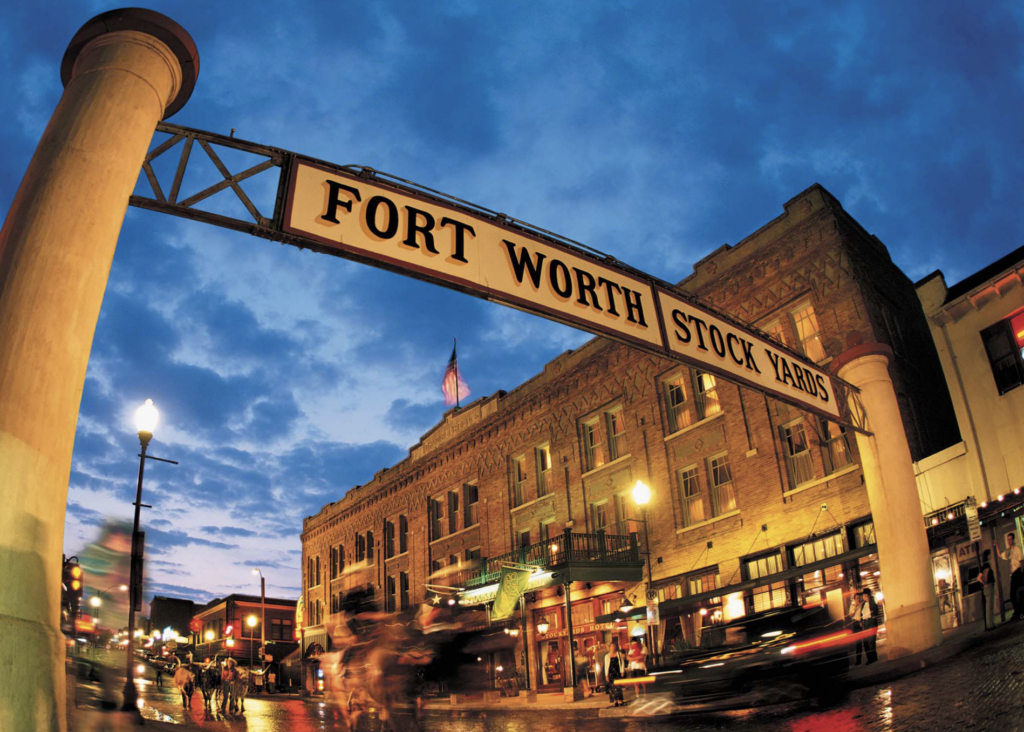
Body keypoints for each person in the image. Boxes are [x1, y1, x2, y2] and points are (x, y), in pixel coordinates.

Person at [996, 533, 1023, 621]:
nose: (1009, 541)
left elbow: (1022, 560)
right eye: (1008, 539)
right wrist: (996, 545)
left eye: (1010, 539)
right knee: (1014, 594)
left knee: (1017, 593)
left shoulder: (1017, 548)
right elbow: (1000, 555)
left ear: (1013, 539)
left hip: (1018, 572)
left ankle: (1019, 612)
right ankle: (1018, 611)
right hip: (1014, 574)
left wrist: (1022, 572)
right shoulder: (1009, 551)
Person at [850, 588, 879, 665]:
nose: (861, 597)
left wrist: (873, 616)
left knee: (871, 641)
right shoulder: (863, 604)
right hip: (865, 623)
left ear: (866, 595)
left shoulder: (872, 601)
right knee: (866, 642)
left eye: (863, 595)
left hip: (871, 622)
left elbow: (875, 610)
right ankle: (870, 658)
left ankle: (873, 658)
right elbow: (857, 614)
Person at [979, 549, 997, 630]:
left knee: (989, 606)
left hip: (987, 587)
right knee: (990, 606)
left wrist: (983, 583)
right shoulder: (987, 565)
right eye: (990, 554)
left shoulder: (983, 565)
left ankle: (990, 624)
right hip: (989, 586)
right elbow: (985, 575)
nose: (991, 555)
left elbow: (978, 578)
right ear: (987, 556)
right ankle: (990, 625)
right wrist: (985, 583)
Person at [604, 640, 625, 707]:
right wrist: (606, 675)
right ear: (610, 647)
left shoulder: (619, 654)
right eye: (612, 646)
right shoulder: (607, 656)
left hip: (617, 671)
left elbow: (622, 663)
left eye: (614, 646)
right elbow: (606, 666)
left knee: (618, 686)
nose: (613, 647)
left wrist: (622, 671)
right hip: (610, 672)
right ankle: (615, 700)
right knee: (612, 687)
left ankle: (620, 700)